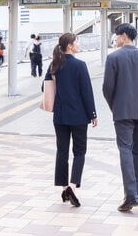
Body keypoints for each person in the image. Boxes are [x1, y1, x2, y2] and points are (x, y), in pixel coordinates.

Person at [103, 23, 138, 213]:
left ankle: (131, 194)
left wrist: (114, 106)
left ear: (124, 36)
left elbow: (107, 88)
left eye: (117, 36)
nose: (116, 39)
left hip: (122, 112)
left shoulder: (113, 58)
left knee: (125, 150)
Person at [44, 33, 97, 207]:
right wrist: (93, 114)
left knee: (62, 152)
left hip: (60, 116)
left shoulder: (54, 65)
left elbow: (44, 87)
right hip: (79, 116)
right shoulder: (80, 65)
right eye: (76, 41)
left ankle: (64, 187)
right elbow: (86, 92)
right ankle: (73, 186)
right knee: (79, 152)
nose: (78, 44)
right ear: (69, 46)